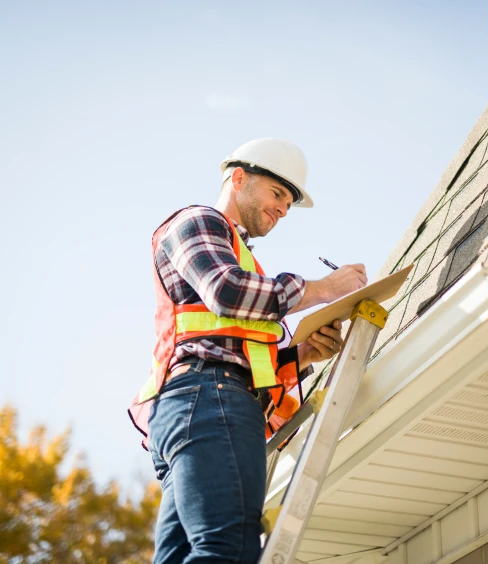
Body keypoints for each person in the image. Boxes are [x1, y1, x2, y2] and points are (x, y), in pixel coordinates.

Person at [128, 138, 367, 563]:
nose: (282, 210)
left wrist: (304, 353)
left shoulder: (242, 259)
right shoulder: (198, 222)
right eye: (278, 193)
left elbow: (236, 347)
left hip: (196, 404)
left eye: (289, 204)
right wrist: (325, 289)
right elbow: (225, 291)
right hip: (208, 399)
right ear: (238, 179)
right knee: (228, 550)